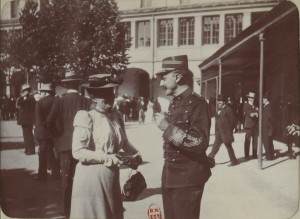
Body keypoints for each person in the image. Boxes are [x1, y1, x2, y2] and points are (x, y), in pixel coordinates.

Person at [70, 74, 142, 219]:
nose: (110, 97)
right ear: (93, 97)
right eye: (104, 94)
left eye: (111, 92)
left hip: (111, 175)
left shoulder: (116, 115)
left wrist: (135, 154)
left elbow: (124, 142)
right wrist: (107, 158)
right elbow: (78, 151)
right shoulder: (86, 117)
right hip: (91, 177)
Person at [154, 55, 212, 219]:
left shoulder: (198, 104)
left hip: (187, 179)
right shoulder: (175, 103)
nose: (161, 83)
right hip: (170, 177)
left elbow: (199, 143)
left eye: (164, 78)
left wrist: (167, 128)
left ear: (177, 77)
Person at [46, 70, 92, 217]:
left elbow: (49, 123)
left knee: (66, 178)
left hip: (64, 146)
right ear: (78, 85)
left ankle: (67, 210)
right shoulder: (86, 101)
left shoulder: (59, 101)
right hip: (84, 146)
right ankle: (83, 210)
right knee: (83, 178)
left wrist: (57, 137)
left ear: (65, 86)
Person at [34, 83, 60, 181]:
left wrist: (37, 131)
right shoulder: (57, 101)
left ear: (45, 92)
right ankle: (56, 174)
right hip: (55, 132)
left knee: (43, 155)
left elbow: (38, 119)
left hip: (43, 132)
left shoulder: (40, 102)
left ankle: (42, 175)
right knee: (54, 153)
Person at [208, 94, 239, 166]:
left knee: (228, 146)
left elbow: (234, 121)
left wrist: (229, 130)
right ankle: (209, 158)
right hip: (219, 132)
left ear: (224, 102)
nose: (219, 103)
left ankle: (234, 161)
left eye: (220, 101)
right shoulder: (219, 109)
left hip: (225, 132)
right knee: (216, 146)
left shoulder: (228, 109)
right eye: (218, 101)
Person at [16, 84, 36, 155]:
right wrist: (22, 96)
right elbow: (18, 105)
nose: (23, 92)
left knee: (28, 135)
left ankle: (31, 150)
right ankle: (27, 148)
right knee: (25, 135)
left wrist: (22, 96)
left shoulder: (31, 98)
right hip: (25, 120)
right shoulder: (26, 98)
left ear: (28, 90)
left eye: (24, 90)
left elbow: (21, 103)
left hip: (28, 120)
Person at [243, 92, 258, 160]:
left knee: (255, 141)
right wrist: (257, 113)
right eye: (251, 98)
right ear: (248, 98)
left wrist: (257, 113)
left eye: (253, 98)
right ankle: (247, 155)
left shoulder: (255, 106)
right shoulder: (246, 105)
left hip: (255, 126)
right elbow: (251, 114)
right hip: (249, 126)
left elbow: (258, 113)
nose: (252, 99)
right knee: (247, 141)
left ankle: (254, 155)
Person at [262, 94, 275, 160]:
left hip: (267, 128)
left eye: (263, 99)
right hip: (268, 127)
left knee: (266, 142)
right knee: (270, 142)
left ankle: (269, 157)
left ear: (266, 99)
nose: (262, 100)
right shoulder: (268, 106)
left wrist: (269, 125)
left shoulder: (267, 107)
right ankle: (271, 155)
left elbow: (270, 117)